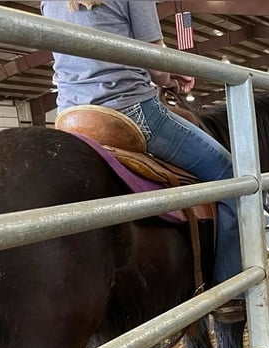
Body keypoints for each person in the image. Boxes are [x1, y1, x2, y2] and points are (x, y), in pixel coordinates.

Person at [41, 1, 244, 317]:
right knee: (232, 175)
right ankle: (231, 289)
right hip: (129, 109)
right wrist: (170, 75)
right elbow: (155, 63)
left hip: (71, 114)